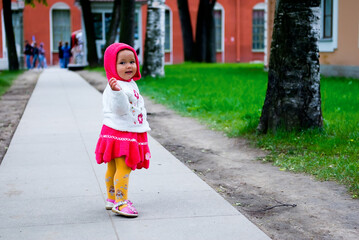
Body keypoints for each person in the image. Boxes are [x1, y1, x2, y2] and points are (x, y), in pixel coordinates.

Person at [95, 43, 151, 218]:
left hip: (117, 131)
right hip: (121, 134)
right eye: (122, 63)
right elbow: (121, 109)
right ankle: (121, 202)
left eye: (132, 61)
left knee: (112, 166)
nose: (129, 66)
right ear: (112, 65)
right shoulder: (115, 87)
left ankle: (111, 198)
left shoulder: (129, 83)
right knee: (124, 167)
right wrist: (117, 93)